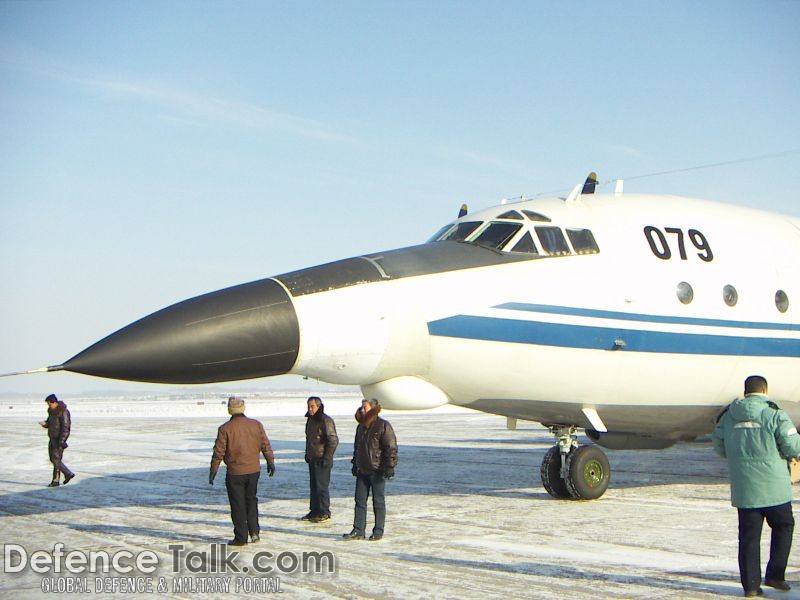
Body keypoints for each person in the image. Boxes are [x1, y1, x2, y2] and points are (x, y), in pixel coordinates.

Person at [713, 375, 800, 597]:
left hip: (745, 489)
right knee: (784, 526)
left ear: (745, 391)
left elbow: (720, 447)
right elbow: (792, 446)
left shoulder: (728, 416)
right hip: (774, 487)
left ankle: (751, 586)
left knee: (749, 538)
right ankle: (775, 575)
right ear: (765, 390)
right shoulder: (774, 413)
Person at [209, 396, 275, 546]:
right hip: (253, 471)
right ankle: (254, 532)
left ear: (230, 410)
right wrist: (270, 461)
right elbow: (265, 444)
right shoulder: (256, 425)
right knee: (251, 500)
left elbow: (218, 451)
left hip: (235, 473)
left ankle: (240, 537)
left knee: (238, 504)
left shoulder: (225, 429)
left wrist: (213, 469)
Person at [343, 398, 397, 541]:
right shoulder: (361, 427)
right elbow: (357, 448)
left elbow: (390, 447)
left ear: (373, 409)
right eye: (361, 407)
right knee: (359, 501)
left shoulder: (383, 425)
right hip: (362, 470)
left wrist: (390, 466)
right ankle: (358, 530)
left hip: (377, 470)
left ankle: (378, 531)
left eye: (364, 407)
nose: (362, 410)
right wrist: (355, 464)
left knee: (378, 501)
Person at [302, 396, 339, 523]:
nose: (310, 409)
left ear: (319, 406)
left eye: (312, 406)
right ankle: (314, 510)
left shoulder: (326, 420)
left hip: (322, 458)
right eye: (308, 406)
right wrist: (308, 453)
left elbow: (333, 440)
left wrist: (327, 457)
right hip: (313, 458)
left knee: (321, 486)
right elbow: (310, 439)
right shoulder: (311, 420)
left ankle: (324, 511)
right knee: (314, 486)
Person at [39, 394, 75, 487]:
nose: (48, 405)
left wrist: (62, 441)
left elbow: (66, 428)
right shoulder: (51, 412)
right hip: (52, 438)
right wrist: (45, 424)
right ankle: (56, 480)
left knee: (55, 459)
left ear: (54, 402)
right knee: (55, 459)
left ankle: (68, 474)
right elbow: (50, 423)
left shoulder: (63, 412)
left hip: (58, 439)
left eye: (48, 403)